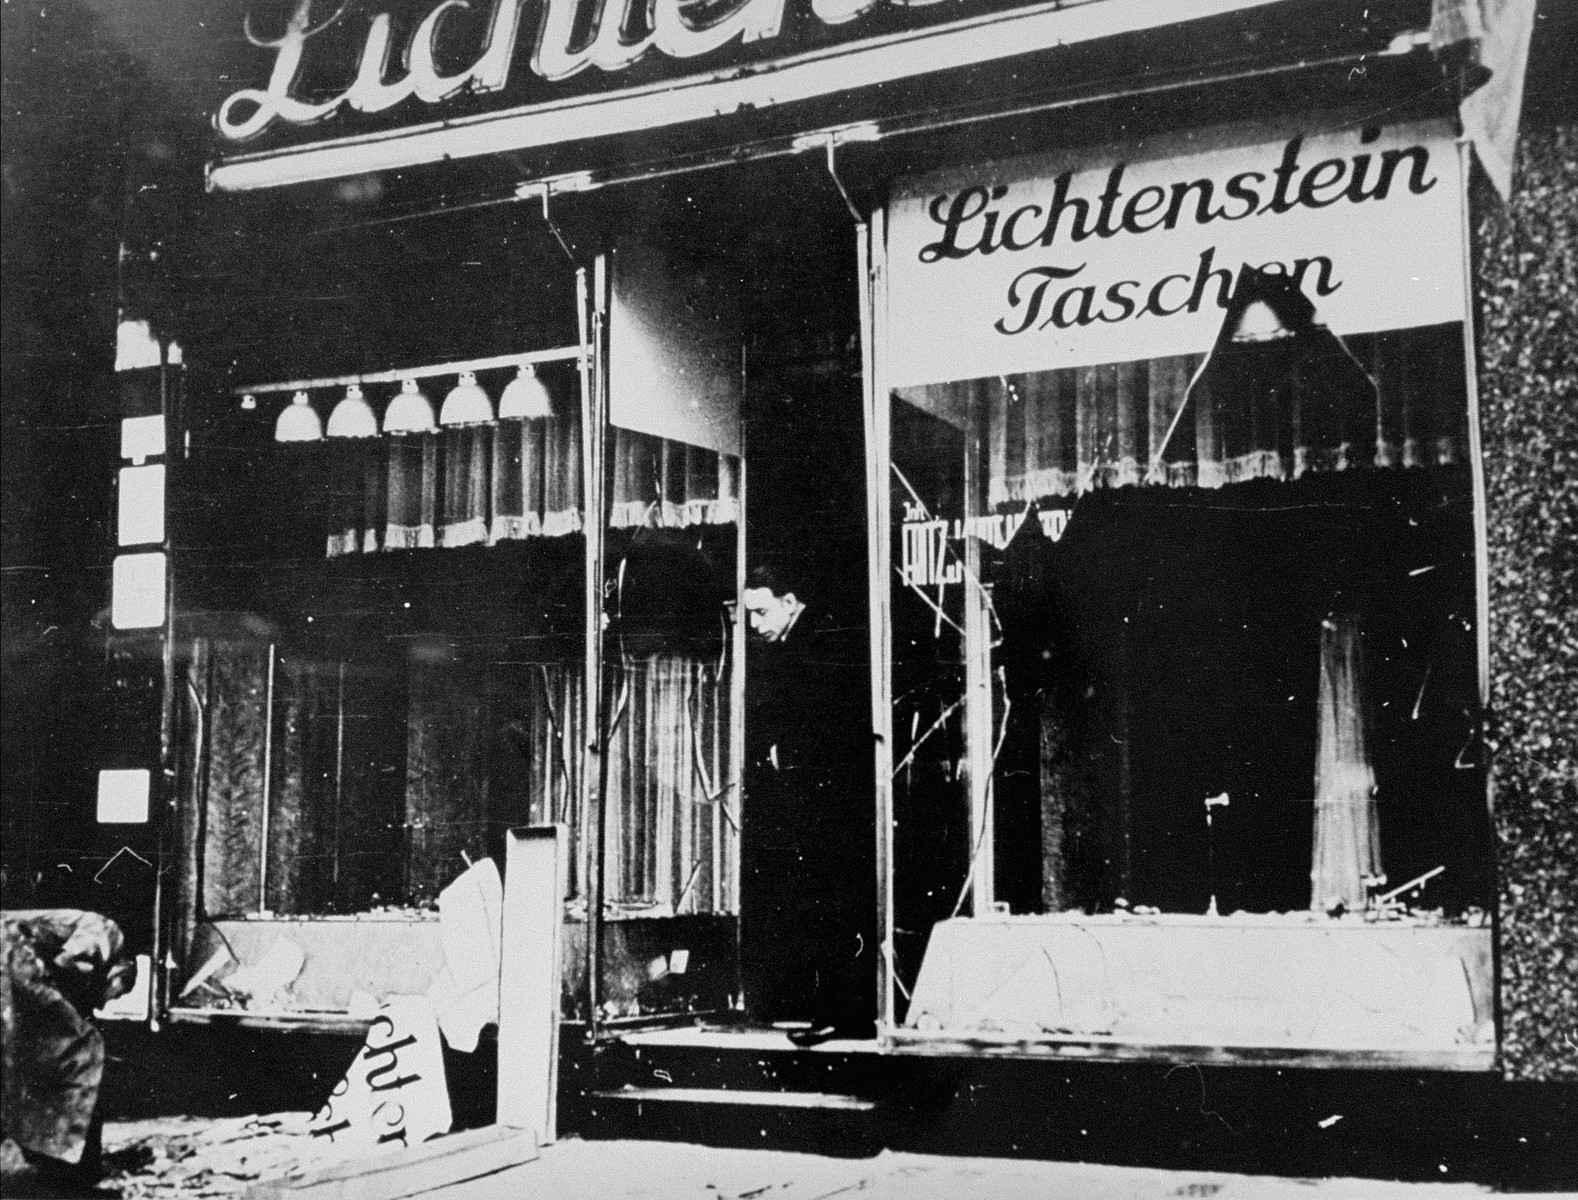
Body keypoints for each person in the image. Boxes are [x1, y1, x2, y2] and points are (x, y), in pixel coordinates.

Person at [741, 564, 875, 1046]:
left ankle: (846, 1012)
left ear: (790, 600)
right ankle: (839, 1010)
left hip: (833, 804)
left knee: (835, 904)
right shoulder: (802, 643)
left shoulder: (820, 644)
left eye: (760, 612)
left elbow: (837, 722)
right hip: (818, 800)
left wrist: (789, 755)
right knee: (824, 905)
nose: (755, 625)